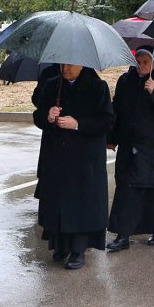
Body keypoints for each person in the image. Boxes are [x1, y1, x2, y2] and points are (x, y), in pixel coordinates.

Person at [32, 63, 115, 269]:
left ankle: (78, 250)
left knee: (79, 205)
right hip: (57, 155)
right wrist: (47, 116)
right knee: (59, 203)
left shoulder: (98, 86)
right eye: (62, 64)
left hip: (84, 158)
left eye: (70, 64)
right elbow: (38, 116)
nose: (65, 68)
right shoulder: (53, 85)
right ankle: (60, 245)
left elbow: (106, 120)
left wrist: (77, 124)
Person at [106, 47, 154, 251]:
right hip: (131, 144)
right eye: (138, 61)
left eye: (145, 62)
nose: (140, 66)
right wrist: (112, 137)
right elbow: (117, 109)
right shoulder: (125, 81)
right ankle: (122, 235)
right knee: (126, 189)